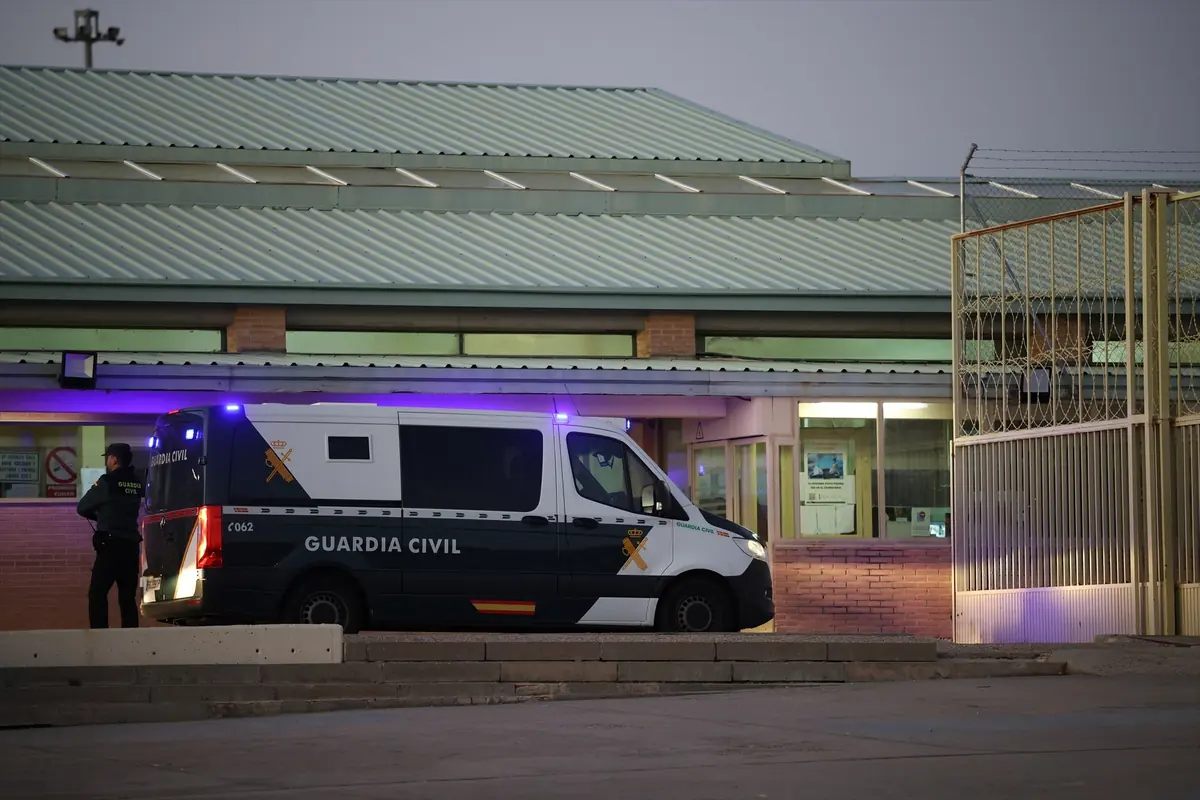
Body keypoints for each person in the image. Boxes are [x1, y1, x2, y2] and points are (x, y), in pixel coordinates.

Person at [77, 443, 145, 628]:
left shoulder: (106, 482)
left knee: (97, 593)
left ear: (114, 459)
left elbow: (82, 507)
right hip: (131, 546)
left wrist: (100, 516)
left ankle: (101, 635)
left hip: (110, 545)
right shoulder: (137, 482)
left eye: (108, 457)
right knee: (127, 597)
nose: (107, 461)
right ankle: (131, 637)